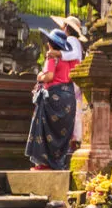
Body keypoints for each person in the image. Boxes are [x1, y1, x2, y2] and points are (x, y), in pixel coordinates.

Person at [25, 29, 79, 171]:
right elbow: (74, 76)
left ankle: (44, 163)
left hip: (53, 97)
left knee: (44, 130)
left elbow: (49, 76)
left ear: (49, 44)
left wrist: (39, 77)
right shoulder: (72, 59)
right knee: (61, 132)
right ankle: (58, 161)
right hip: (69, 98)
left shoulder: (51, 57)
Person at [47, 16, 86, 145]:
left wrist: (58, 54)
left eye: (63, 27)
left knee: (72, 109)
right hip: (73, 79)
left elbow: (73, 55)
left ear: (67, 28)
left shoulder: (71, 39)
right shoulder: (75, 41)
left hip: (71, 79)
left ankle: (74, 138)